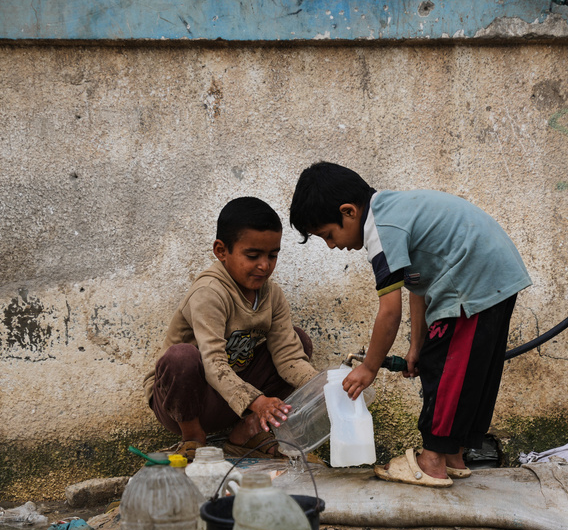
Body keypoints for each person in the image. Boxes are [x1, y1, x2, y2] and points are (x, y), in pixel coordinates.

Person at [289, 162, 532, 487]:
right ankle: (453, 455)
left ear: (348, 212)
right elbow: (418, 289)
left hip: (472, 278)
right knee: (467, 371)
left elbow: (389, 312)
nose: (332, 245)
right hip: (490, 275)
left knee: (446, 371)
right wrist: (416, 347)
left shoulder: (381, 229)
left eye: (328, 235)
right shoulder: (396, 213)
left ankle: (431, 461)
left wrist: (369, 368)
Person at [144, 196, 320, 460]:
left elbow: (289, 357)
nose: (265, 265)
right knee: (181, 357)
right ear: (221, 251)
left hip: (232, 399)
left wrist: (323, 388)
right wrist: (257, 402)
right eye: (253, 255)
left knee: (299, 342)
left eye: (273, 255)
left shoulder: (272, 295)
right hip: (185, 402)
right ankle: (193, 439)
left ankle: (244, 433)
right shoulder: (209, 293)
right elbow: (213, 363)